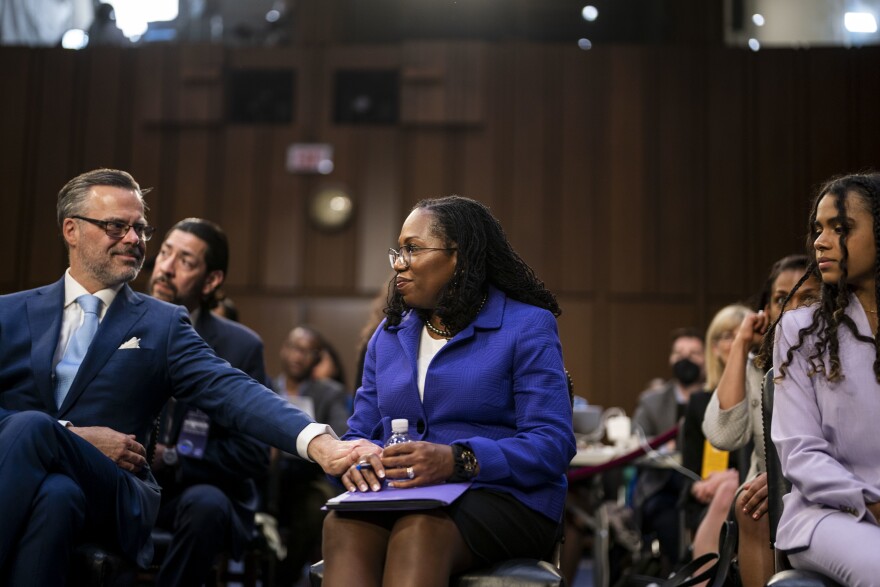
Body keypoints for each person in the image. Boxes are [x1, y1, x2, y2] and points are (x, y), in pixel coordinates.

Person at [0, 168, 377, 585]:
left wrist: (319, 443)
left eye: (140, 228)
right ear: (71, 230)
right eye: (116, 227)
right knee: (56, 496)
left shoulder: (162, 323)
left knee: (34, 426)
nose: (134, 239)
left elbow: (230, 389)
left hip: (113, 492)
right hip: (38, 485)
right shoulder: (9, 313)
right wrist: (72, 435)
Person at [321, 195, 575, 587]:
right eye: (398, 251)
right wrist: (358, 463)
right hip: (402, 495)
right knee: (342, 523)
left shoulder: (526, 326)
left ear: (458, 256)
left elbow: (552, 444)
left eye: (412, 249)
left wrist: (459, 460)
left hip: (505, 497)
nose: (398, 264)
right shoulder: (387, 338)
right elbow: (361, 433)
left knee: (421, 528)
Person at [755, 172, 880, 586]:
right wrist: (872, 503)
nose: (820, 242)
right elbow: (801, 455)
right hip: (828, 515)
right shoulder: (799, 330)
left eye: (840, 228)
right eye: (818, 229)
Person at [146, 217, 270, 586]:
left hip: (195, 494)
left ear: (211, 280)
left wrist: (171, 456)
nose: (165, 268)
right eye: (165, 253)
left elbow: (253, 453)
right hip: (126, 484)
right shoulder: (117, 325)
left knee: (206, 505)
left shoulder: (240, 347)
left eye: (185, 261)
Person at [702, 254, 820, 587]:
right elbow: (723, 435)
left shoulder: (838, 360)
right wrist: (740, 344)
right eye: (782, 298)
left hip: (823, 480)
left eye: (808, 297)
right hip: (762, 488)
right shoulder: (760, 368)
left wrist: (787, 478)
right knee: (751, 504)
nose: (793, 309)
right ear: (765, 310)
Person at [271, 325, 351, 585]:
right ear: (283, 350)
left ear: (316, 358)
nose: (297, 356)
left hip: (307, 477)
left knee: (313, 507)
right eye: (294, 348)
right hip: (265, 476)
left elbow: (342, 435)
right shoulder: (265, 388)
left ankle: (283, 580)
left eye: (306, 352)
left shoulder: (329, 393)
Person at [679, 305, 748, 582]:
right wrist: (702, 484)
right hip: (706, 497)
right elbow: (690, 471)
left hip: (747, 489)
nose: (733, 342)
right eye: (725, 336)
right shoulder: (699, 403)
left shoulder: (765, 394)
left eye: (739, 334)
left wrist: (731, 478)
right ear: (714, 347)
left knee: (731, 489)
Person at [632, 327, 705, 573]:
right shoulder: (651, 401)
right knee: (665, 516)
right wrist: (664, 444)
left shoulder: (716, 397)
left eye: (694, 353)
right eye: (680, 353)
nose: (686, 359)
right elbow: (637, 440)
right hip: (661, 486)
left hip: (703, 483)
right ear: (670, 359)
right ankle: (678, 573)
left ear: (706, 359)